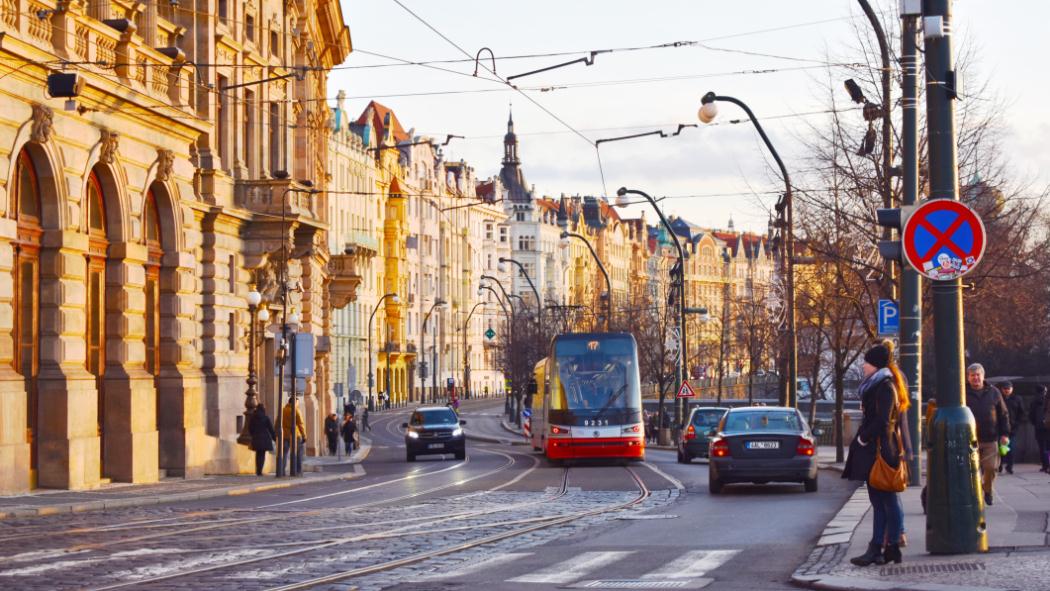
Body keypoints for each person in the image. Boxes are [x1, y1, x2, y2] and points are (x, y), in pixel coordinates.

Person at [844, 341, 908, 567]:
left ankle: (886, 547)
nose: (863, 366)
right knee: (881, 501)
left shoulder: (884, 386)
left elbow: (883, 421)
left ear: (876, 364)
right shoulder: (880, 385)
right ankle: (880, 548)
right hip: (879, 449)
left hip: (880, 450)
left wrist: (863, 438)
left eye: (867, 363)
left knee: (885, 500)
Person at [965, 363, 1010, 506]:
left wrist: (1005, 433)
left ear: (983, 376)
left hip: (990, 438)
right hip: (969, 439)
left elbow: (1003, 414)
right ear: (968, 377)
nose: (976, 378)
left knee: (991, 468)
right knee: (972, 470)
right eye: (972, 375)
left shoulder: (994, 392)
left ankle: (988, 490)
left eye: (978, 375)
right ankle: (976, 495)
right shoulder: (963, 392)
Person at [999, 382, 1025, 475]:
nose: (1007, 390)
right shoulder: (999, 398)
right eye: (1005, 388)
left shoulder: (1017, 399)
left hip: (1012, 428)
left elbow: (1021, 413)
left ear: (1012, 389)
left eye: (1008, 388)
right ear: (1002, 389)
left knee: (1011, 448)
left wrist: (1016, 424)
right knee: (1000, 449)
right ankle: (1000, 465)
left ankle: (1009, 466)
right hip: (1000, 428)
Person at [281, 396, 307, 476]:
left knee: (284, 453)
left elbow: (277, 422)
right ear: (294, 402)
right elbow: (300, 424)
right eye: (297, 403)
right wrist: (304, 435)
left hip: (285, 435)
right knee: (297, 453)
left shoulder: (283, 410)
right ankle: (297, 471)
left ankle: (282, 471)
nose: (298, 405)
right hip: (295, 435)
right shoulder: (296, 410)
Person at [248, 404, 276, 476]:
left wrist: (253, 434)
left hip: (256, 438)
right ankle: (260, 470)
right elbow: (271, 429)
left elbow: (250, 428)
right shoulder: (266, 418)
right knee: (262, 455)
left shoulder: (253, 418)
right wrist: (275, 438)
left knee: (258, 455)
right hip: (264, 439)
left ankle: (258, 470)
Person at [1031, 386, 1049, 473]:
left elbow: (1031, 415)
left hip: (1039, 427)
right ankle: (1048, 464)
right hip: (1048, 426)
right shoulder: (1047, 400)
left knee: (1042, 447)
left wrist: (1035, 423)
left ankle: (1044, 465)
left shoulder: (1034, 401)